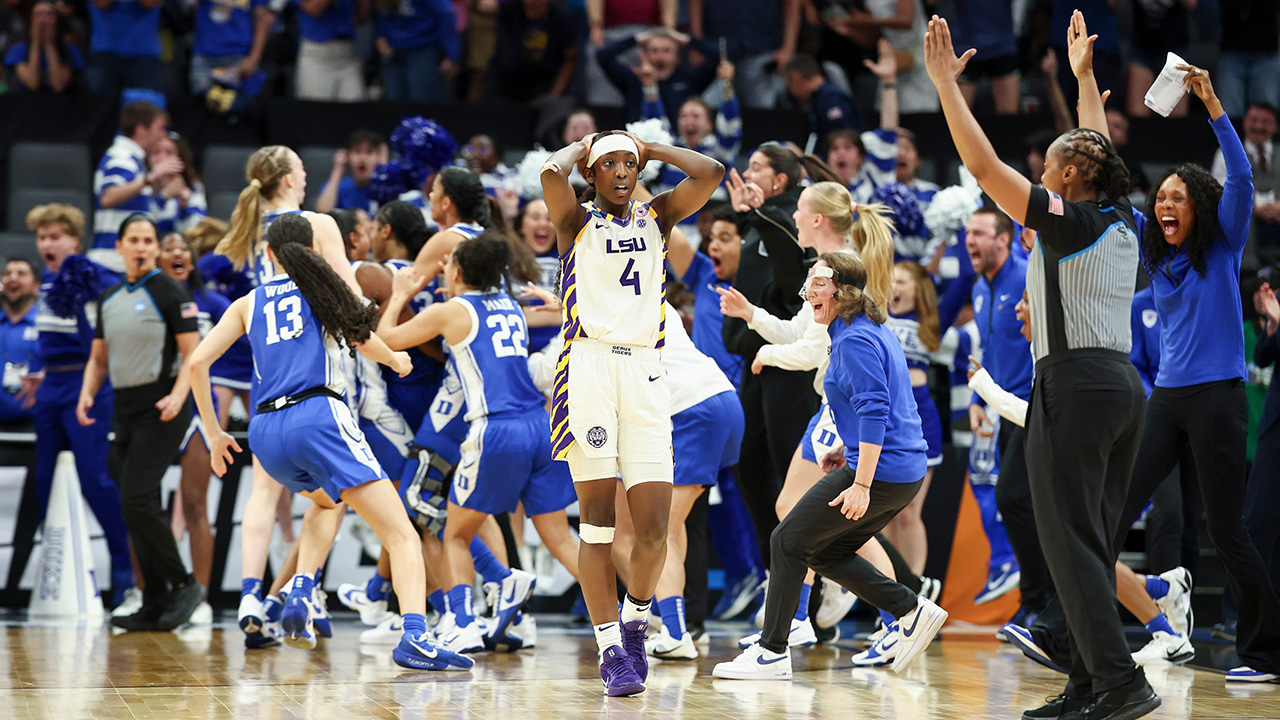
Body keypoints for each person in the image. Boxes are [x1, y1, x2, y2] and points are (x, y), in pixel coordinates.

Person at [926, 12, 1159, 719]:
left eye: (1053, 162)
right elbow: (1096, 148)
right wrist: (1085, 80)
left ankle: (1121, 683)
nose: (1041, 169)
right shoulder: (1124, 216)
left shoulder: (1067, 218)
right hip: (1122, 391)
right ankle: (1089, 683)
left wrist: (944, 86)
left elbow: (982, 167)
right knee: (1086, 541)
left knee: (1071, 548)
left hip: (1077, 385)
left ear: (1069, 177)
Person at [187, 212, 472, 672]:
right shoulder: (321, 287)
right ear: (314, 250)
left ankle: (301, 584)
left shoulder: (248, 302)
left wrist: (215, 432)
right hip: (318, 417)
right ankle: (416, 637)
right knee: (401, 535)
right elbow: (363, 337)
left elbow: (198, 364)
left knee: (325, 503)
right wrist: (398, 360)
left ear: (269, 255)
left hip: (265, 432)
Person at [540, 130, 724, 694]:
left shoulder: (658, 218)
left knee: (651, 527)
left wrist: (654, 149)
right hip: (589, 370)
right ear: (592, 176)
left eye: (628, 165)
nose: (621, 172)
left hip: (646, 370)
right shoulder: (576, 223)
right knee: (597, 524)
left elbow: (711, 173)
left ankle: (637, 620)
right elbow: (550, 176)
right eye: (609, 165)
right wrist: (582, 146)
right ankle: (609, 651)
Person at [712, 251, 945, 680]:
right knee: (823, 550)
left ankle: (772, 650)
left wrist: (860, 482)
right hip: (896, 466)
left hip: (884, 470)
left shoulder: (855, 339)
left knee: (787, 540)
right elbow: (887, 405)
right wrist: (850, 450)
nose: (808, 293)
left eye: (817, 284)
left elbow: (876, 410)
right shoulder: (861, 330)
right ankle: (908, 610)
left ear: (843, 290)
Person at [1119, 64, 1280, 684]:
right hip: (1167, 398)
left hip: (1217, 397)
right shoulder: (1154, 254)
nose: (1163, 204)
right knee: (1117, 509)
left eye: (1176, 198)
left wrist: (1213, 103)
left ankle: (1265, 652)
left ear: (1199, 209)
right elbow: (1110, 194)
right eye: (1160, 197)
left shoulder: (1223, 244)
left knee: (1227, 530)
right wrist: (1085, 92)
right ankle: (1067, 629)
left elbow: (1239, 175)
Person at [376, 233, 577, 653]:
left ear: (460, 272)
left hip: (497, 429)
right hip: (541, 425)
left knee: (451, 531)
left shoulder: (452, 312)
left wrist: (398, 296)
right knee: (560, 537)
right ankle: (615, 622)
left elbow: (386, 339)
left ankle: (465, 620)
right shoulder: (510, 306)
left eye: (450, 264)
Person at [212, 144, 364, 647]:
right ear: (290, 178)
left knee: (263, 492)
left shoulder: (253, 227)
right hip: (316, 365)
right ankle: (307, 587)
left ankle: (252, 596)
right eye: (301, 166)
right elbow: (347, 289)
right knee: (336, 490)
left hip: (266, 364)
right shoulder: (316, 222)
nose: (306, 173)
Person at [77, 215, 205, 631]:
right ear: (119, 246)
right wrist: (86, 393)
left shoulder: (170, 291)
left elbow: (194, 354)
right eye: (134, 239)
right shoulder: (111, 297)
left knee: (137, 498)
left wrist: (178, 395)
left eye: (148, 240)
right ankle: (154, 598)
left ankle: (186, 584)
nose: (142, 246)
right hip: (125, 412)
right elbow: (98, 358)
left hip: (163, 408)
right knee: (133, 506)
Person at [721, 145, 837, 570]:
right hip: (764, 355)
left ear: (780, 180)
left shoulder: (789, 221)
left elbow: (792, 286)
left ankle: (817, 579)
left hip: (792, 363)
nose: (747, 173)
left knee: (802, 483)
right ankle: (782, 571)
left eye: (756, 167)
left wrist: (756, 216)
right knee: (749, 461)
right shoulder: (762, 220)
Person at [23, 204, 134, 606]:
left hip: (87, 384)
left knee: (96, 480)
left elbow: (102, 336)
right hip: (51, 387)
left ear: (74, 239)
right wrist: (38, 370)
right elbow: (48, 335)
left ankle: (126, 571)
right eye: (42, 237)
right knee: (44, 482)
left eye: (55, 236)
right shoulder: (48, 281)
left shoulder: (90, 275)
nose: (47, 244)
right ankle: (58, 575)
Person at [964, 206, 1037, 609]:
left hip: (1033, 407)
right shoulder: (980, 285)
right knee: (1016, 500)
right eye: (968, 232)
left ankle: (1030, 592)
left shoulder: (1027, 277)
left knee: (1013, 497)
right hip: (1003, 408)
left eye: (979, 232)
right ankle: (1034, 602)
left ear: (1004, 240)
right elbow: (991, 348)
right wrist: (978, 399)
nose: (970, 239)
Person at [158, 232, 228, 622]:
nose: (178, 253)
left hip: (200, 409)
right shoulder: (147, 297)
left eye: (184, 248)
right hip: (153, 404)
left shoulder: (211, 303)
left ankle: (200, 598)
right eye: (169, 248)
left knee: (196, 504)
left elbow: (247, 335)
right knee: (145, 502)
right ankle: (150, 592)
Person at [881, 261, 943, 574]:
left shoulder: (930, 321)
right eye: (891, 280)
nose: (894, 287)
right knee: (884, 515)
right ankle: (890, 593)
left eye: (902, 281)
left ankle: (914, 590)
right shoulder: (877, 316)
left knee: (908, 512)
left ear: (919, 289)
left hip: (920, 417)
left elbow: (958, 286)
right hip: (883, 417)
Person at [92, 102, 170, 271]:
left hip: (122, 261)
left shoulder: (133, 159)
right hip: (112, 261)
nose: (163, 135)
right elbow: (108, 197)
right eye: (160, 128)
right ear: (141, 129)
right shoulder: (122, 157)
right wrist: (149, 179)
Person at [597, 28, 721, 126]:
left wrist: (687, 40)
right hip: (640, 147)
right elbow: (603, 56)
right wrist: (635, 39)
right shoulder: (634, 80)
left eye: (666, 51)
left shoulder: (689, 79)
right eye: (654, 51)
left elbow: (719, 56)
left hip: (679, 148)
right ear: (645, 54)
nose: (660, 57)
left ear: (677, 56)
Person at [489, 0, 581, 103]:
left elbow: (570, 59)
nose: (530, 3)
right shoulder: (509, 11)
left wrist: (554, 95)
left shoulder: (562, 20)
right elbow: (482, 6)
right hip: (504, 85)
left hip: (542, 88)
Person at [374, 0, 460, 104]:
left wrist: (452, 55)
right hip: (393, 52)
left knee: (422, 105)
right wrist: (380, 36)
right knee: (394, 105)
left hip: (423, 50)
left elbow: (446, 15)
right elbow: (383, 13)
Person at [189, 0, 277, 95]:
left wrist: (253, 59)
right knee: (200, 103)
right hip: (205, 55)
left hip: (239, 56)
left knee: (237, 104)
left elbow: (263, 20)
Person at [84, 0, 163, 96]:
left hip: (144, 52)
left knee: (145, 108)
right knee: (101, 106)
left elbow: (149, 3)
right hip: (105, 51)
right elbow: (101, 4)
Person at [781, 55, 861, 147]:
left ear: (796, 78)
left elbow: (845, 138)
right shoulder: (816, 99)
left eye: (789, 83)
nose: (790, 90)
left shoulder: (832, 97)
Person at [5, 0, 83, 93]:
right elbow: (32, 84)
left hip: (63, 104)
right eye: (38, 15)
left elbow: (59, 86)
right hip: (27, 104)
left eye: (49, 14)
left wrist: (49, 44)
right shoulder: (18, 49)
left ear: (57, 20)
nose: (43, 20)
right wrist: (36, 43)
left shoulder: (70, 49)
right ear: (31, 21)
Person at [293, 0, 364, 101]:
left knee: (357, 108)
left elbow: (362, 17)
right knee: (317, 110)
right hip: (317, 55)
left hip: (347, 54)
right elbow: (314, 9)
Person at [0, 260, 39, 427]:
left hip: (37, 425)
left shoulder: (47, 325)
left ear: (37, 286)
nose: (12, 278)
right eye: (7, 273)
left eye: (21, 274)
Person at [149, 134, 208, 237]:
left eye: (169, 152)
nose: (163, 159)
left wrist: (183, 207)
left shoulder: (193, 188)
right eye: (156, 152)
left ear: (181, 159)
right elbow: (144, 227)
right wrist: (162, 198)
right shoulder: (139, 187)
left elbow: (196, 234)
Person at [316, 131, 387, 215]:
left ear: (379, 157)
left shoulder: (389, 188)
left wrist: (384, 167)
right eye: (357, 151)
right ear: (348, 156)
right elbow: (322, 211)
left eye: (369, 152)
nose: (362, 158)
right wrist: (338, 169)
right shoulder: (340, 187)